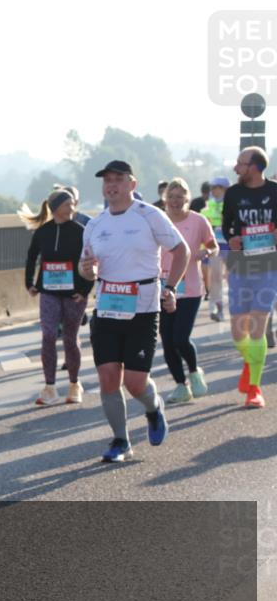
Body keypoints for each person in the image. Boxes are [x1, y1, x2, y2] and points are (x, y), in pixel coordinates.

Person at [79, 161, 190, 463]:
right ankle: (120, 440)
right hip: (107, 308)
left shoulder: (149, 215)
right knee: (108, 377)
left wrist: (170, 288)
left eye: (118, 179)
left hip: (142, 307)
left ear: (132, 183)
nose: (112, 185)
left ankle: (153, 410)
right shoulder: (95, 224)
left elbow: (181, 251)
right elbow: (86, 269)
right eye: (107, 181)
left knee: (135, 383)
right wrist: (87, 270)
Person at [20, 189, 92, 405]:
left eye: (72, 204)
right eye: (67, 205)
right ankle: (49, 387)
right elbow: (32, 257)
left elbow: (90, 261)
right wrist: (30, 283)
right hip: (49, 292)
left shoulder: (81, 231)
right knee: (48, 335)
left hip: (74, 294)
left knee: (70, 338)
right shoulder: (43, 232)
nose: (72, 208)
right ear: (55, 208)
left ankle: (74, 384)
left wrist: (85, 289)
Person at [223, 146, 277, 408]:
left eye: (240, 163)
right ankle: (250, 363)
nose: (236, 168)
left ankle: (254, 388)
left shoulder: (275, 192)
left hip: (268, 265)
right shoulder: (233, 194)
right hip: (240, 266)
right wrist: (231, 238)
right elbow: (226, 226)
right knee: (237, 332)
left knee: (257, 325)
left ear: (254, 167)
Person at [158, 178, 218, 403]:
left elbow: (213, 245)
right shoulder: (159, 221)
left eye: (179, 196)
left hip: (191, 288)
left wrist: (207, 253)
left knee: (180, 338)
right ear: (165, 199)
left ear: (187, 198)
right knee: (167, 340)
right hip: (162, 287)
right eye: (171, 197)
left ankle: (194, 371)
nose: (175, 201)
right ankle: (180, 386)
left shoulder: (198, 221)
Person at [204, 176, 231, 321]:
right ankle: (217, 307)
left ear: (224, 189)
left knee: (233, 277)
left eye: (218, 187)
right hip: (215, 245)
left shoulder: (233, 204)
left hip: (231, 244)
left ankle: (236, 307)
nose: (214, 190)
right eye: (213, 188)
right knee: (215, 278)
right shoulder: (208, 206)